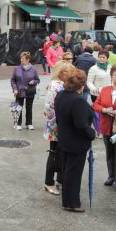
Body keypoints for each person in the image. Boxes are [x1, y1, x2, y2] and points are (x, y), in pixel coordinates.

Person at [55, 69, 96, 212]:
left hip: (65, 139)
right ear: (81, 85)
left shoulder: (61, 95)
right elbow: (81, 125)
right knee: (73, 173)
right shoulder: (77, 100)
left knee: (67, 171)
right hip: (76, 142)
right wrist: (92, 132)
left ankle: (67, 200)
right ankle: (72, 203)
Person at [43, 61, 75, 195]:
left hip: (62, 125)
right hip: (56, 125)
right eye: (68, 71)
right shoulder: (56, 86)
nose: (71, 74)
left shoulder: (62, 85)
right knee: (54, 153)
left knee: (61, 153)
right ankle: (49, 182)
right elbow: (49, 107)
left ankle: (60, 179)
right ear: (61, 72)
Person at [11, 51, 40, 131]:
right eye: (20, 58)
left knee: (29, 107)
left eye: (22, 59)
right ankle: (17, 124)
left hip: (30, 91)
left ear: (27, 60)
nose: (21, 60)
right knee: (18, 107)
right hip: (19, 91)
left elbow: (37, 80)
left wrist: (33, 81)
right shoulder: (17, 69)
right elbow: (13, 80)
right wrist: (15, 89)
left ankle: (29, 123)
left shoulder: (33, 69)